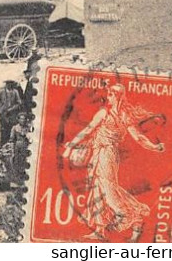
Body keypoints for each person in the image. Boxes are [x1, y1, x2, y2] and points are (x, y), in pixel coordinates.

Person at [62, 84, 164, 242]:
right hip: (101, 153)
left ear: (117, 96)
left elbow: (89, 129)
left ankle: (128, 214)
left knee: (108, 190)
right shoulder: (117, 114)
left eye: (110, 94)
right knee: (99, 188)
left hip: (107, 154)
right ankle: (101, 230)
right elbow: (89, 129)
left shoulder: (114, 115)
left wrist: (155, 147)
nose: (107, 97)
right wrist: (154, 146)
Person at [0, 79, 25, 146]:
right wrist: (0, 111)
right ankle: (3, 147)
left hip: (12, 115)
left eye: (10, 83)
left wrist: (11, 109)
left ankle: (12, 147)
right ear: (6, 84)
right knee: (3, 131)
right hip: (3, 115)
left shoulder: (15, 92)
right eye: (7, 83)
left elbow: (19, 103)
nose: (9, 85)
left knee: (12, 130)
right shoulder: (1, 92)